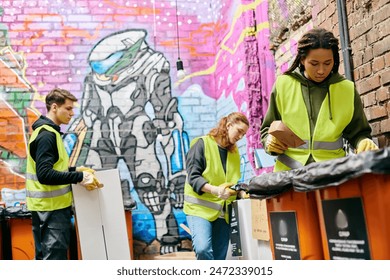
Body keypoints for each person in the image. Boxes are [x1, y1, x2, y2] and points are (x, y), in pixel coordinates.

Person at [260, 27, 378, 172]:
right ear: (302, 60)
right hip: (289, 178)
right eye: (314, 64)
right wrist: (269, 142)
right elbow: (266, 130)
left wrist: (364, 142)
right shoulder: (283, 85)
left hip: (332, 176)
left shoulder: (347, 90)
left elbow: (359, 133)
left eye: (327, 63)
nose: (321, 70)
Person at [25, 88, 102, 260]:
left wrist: (76, 170)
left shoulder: (48, 133)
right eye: (68, 108)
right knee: (55, 261)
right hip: (52, 211)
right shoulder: (47, 136)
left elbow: (53, 169)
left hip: (46, 209)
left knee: (46, 259)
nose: (72, 113)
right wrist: (79, 177)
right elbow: (45, 174)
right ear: (54, 107)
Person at [183, 112, 249, 260]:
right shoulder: (201, 144)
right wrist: (215, 190)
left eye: (243, 134)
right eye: (239, 131)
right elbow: (193, 178)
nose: (240, 137)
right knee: (203, 249)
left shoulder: (234, 152)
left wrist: (240, 192)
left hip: (223, 213)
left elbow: (233, 181)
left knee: (219, 258)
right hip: (199, 209)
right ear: (228, 125)